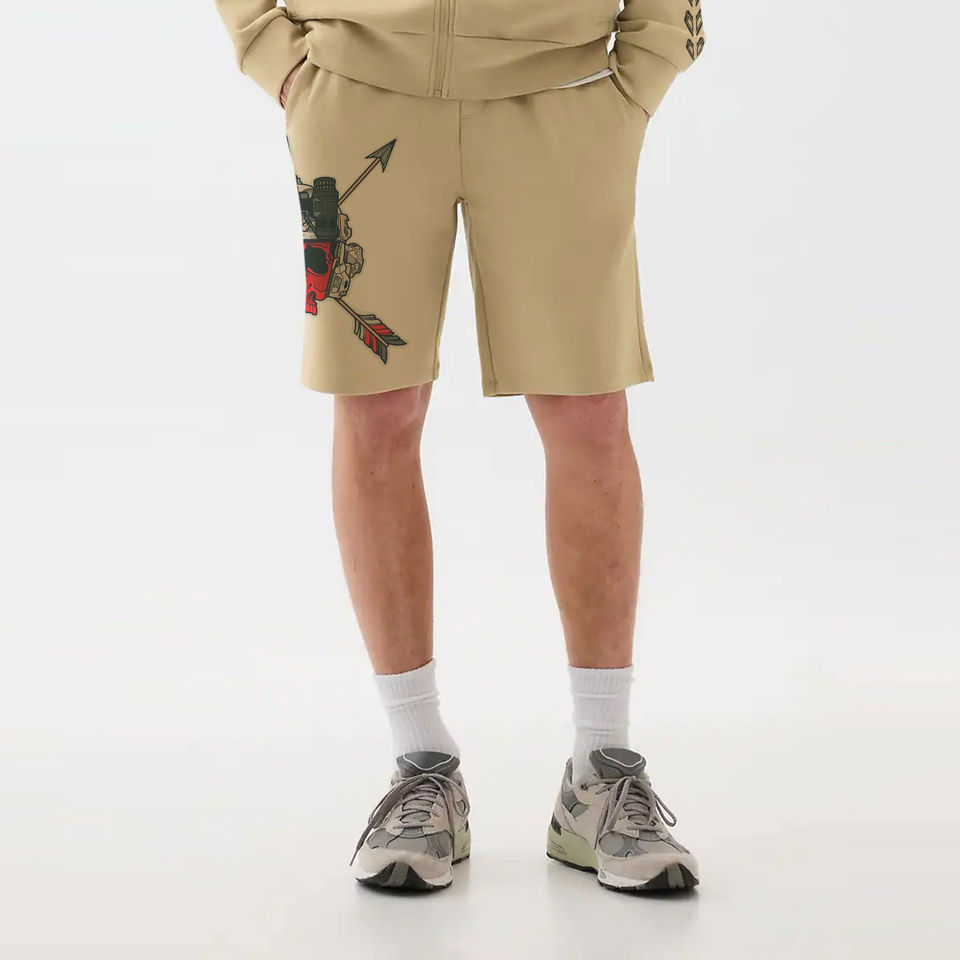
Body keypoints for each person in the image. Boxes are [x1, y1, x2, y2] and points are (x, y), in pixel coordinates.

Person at [215, 0, 705, 893]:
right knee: (377, 411)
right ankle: (420, 764)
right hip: (358, 90)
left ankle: (601, 771)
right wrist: (267, 47)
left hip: (564, 94)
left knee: (590, 413)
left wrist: (653, 59)